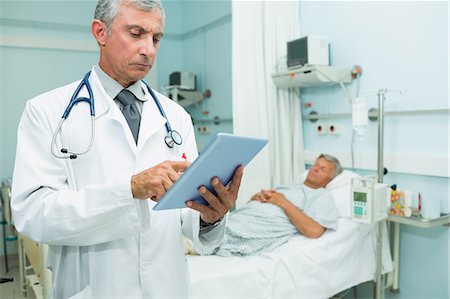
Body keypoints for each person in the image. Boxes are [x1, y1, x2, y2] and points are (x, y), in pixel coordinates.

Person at [11, 1, 242, 298]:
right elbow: (32, 214)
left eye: (156, 38)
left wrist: (211, 214)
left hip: (166, 285)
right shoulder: (47, 111)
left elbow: (183, 213)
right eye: (136, 33)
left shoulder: (176, 117)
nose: (149, 49)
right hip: (95, 286)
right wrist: (129, 189)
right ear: (100, 32)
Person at [195, 154, 341, 257]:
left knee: (207, 237)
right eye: (316, 165)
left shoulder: (322, 196)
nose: (315, 169)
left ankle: (194, 242)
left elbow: (315, 231)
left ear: (331, 178)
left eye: (322, 169)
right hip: (239, 218)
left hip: (256, 228)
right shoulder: (290, 186)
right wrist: (256, 198)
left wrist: (282, 201)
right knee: (207, 227)